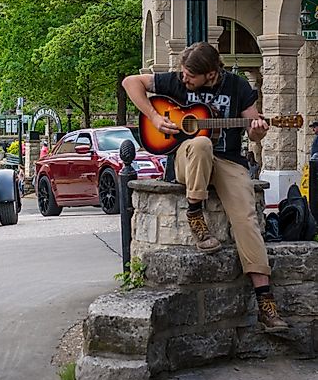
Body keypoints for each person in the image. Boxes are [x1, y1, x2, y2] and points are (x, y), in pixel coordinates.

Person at [122, 41, 287, 331]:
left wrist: (258, 130)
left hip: (228, 162)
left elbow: (253, 129)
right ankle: (194, 212)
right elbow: (130, 82)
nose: (184, 79)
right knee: (200, 142)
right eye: (183, 73)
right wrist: (155, 117)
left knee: (246, 218)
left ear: (211, 74)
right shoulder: (175, 80)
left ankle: (265, 302)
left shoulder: (237, 87)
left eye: (190, 76)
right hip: (190, 159)